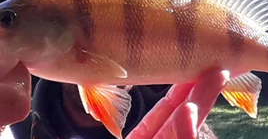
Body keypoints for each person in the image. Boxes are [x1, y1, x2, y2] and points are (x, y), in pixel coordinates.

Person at [0, 63, 229, 139]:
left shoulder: (170, 119)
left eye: (118, 42)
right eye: (87, 40)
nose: (102, 62)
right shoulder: (11, 128)